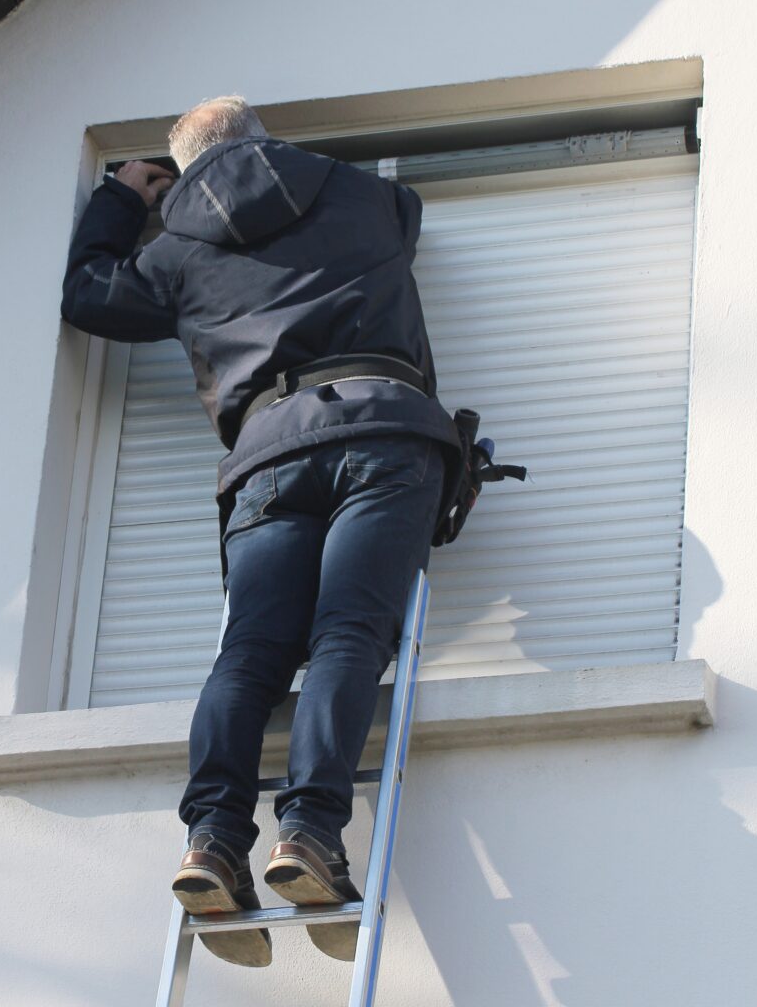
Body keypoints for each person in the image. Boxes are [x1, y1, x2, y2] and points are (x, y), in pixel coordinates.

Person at [61, 95, 462, 968]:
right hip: (380, 428)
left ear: (184, 165)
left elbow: (89, 295)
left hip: (268, 455)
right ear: (263, 141)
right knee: (348, 633)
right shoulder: (364, 194)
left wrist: (129, 199)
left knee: (248, 655)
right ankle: (310, 834)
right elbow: (408, 221)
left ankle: (211, 842)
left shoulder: (171, 248)